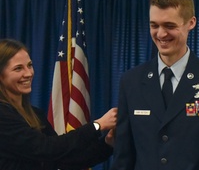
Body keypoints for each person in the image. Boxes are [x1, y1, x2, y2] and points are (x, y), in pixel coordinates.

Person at [110, 0, 199, 170]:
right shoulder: (131, 81)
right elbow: (123, 155)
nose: (161, 34)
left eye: (170, 26)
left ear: (191, 23)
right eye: (154, 25)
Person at [0, 38, 118, 170]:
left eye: (30, 65)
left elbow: (64, 159)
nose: (28, 73)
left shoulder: (35, 114)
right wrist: (97, 125)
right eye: (18, 68)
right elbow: (46, 148)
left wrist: (107, 144)